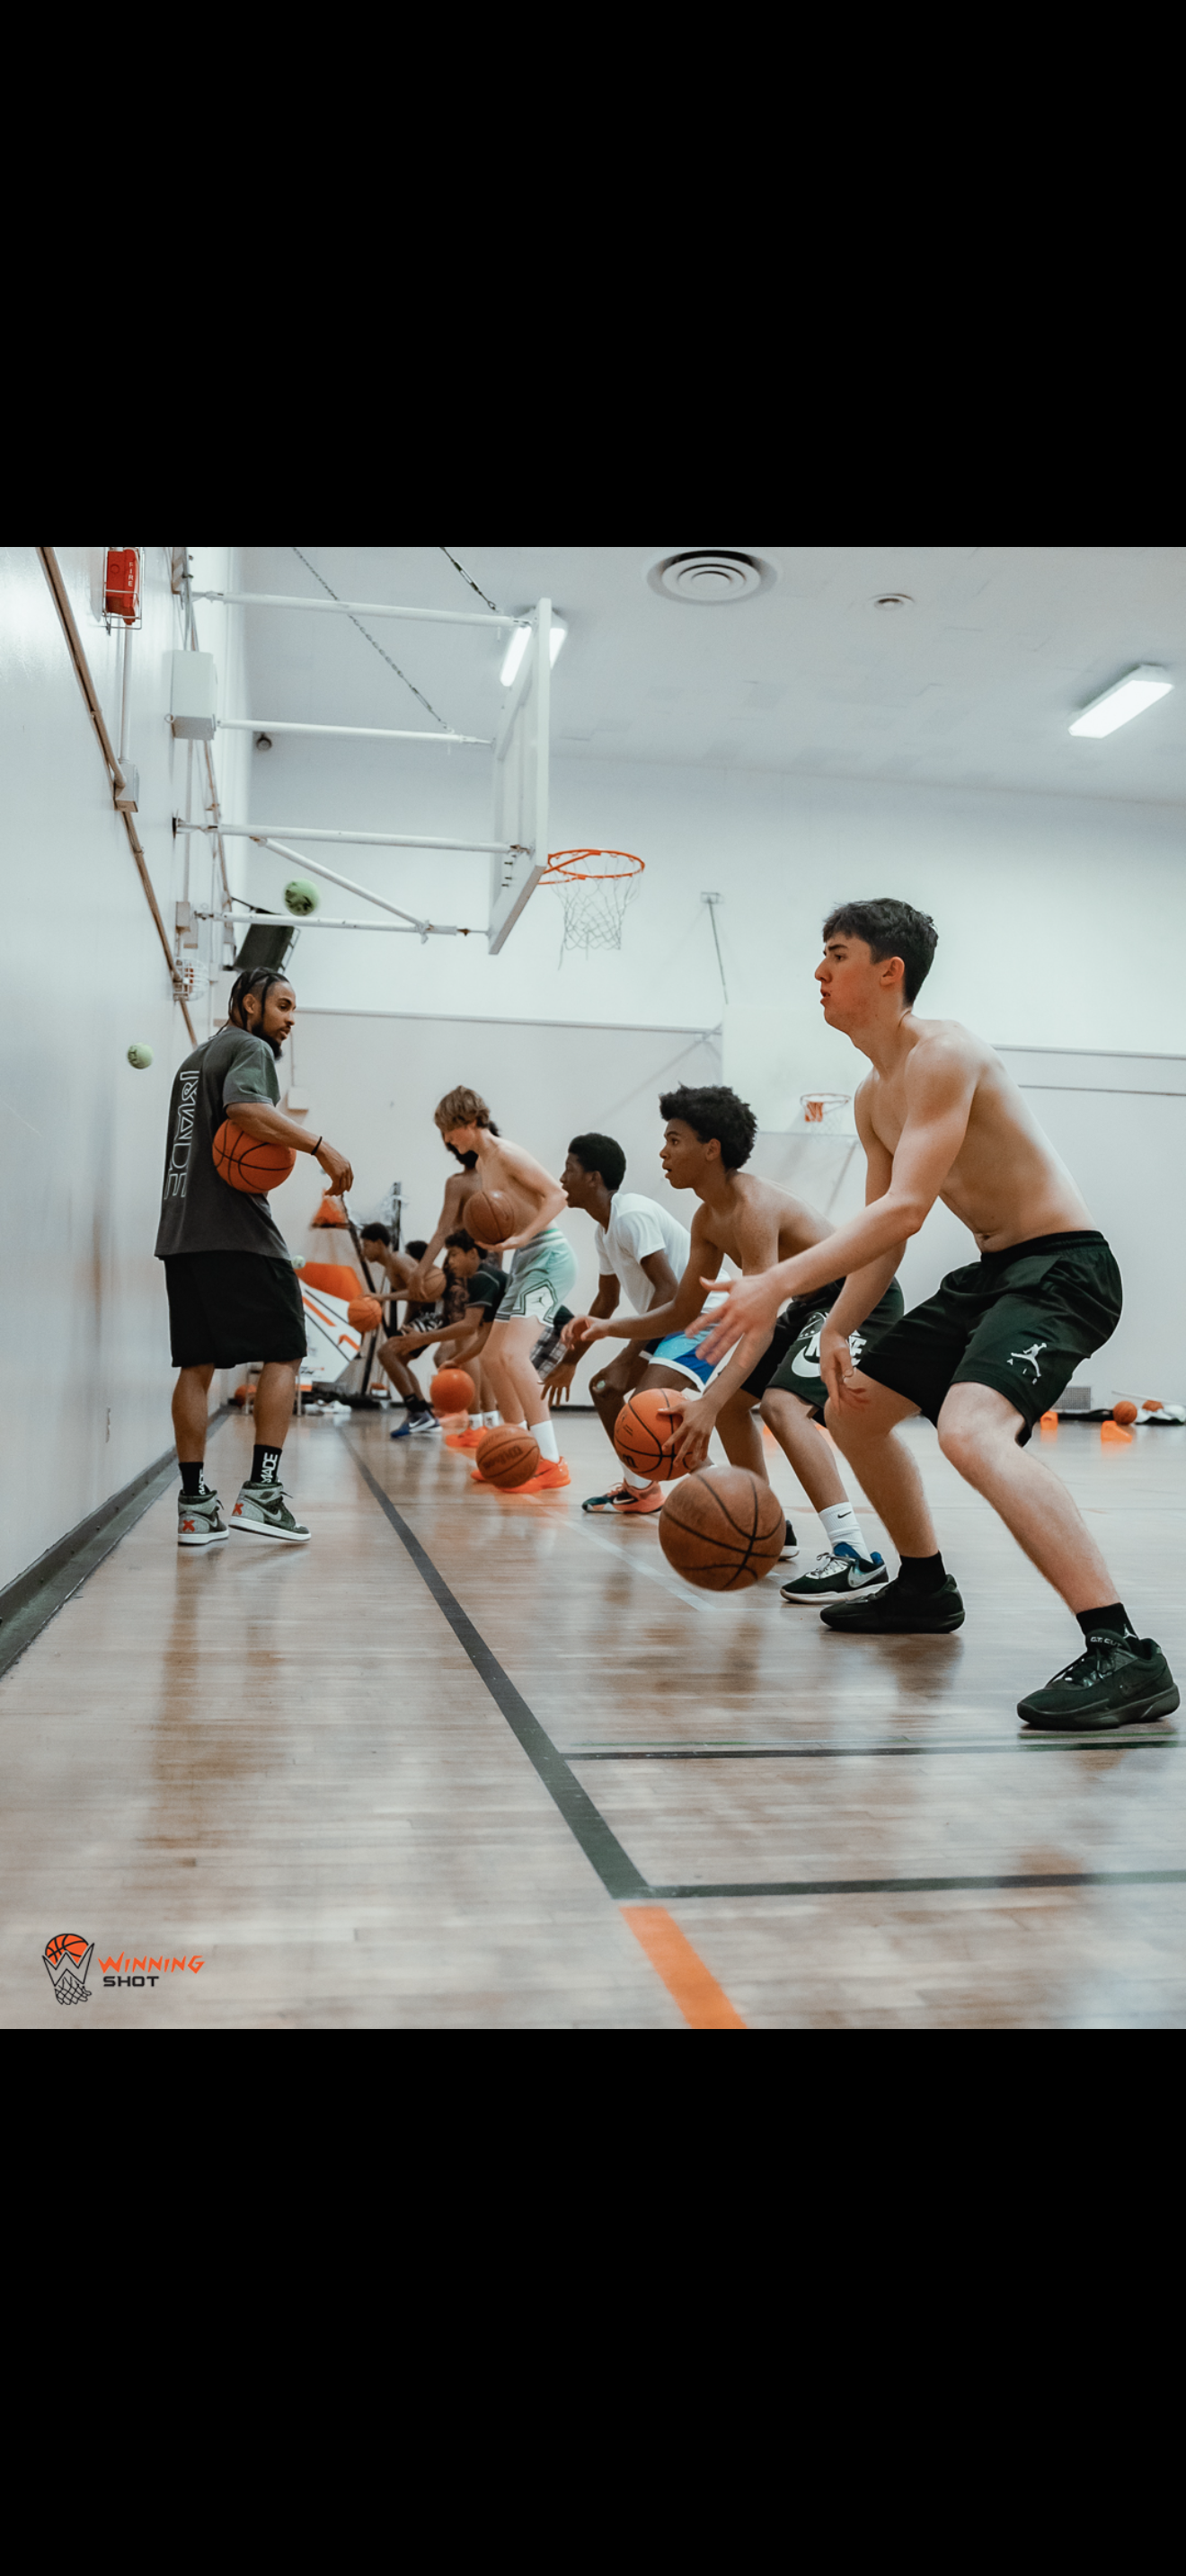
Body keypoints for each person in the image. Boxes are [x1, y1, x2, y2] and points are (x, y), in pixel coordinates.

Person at [696, 898, 1180, 1731]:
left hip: (1064, 1267)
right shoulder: (870, 1094)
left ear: (891, 973)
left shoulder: (946, 1054)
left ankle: (1122, 1651)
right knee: (854, 1411)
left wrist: (778, 1286)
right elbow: (879, 1234)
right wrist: (840, 1328)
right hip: (996, 1270)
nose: (818, 972)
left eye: (836, 956)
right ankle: (923, 1585)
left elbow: (907, 1211)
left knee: (970, 1430)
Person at [565, 1087, 883, 1568]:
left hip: (859, 1298)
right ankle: (772, 1524)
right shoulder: (707, 1218)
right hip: (809, 1303)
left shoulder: (753, 1206)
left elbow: (756, 1321)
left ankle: (853, 1551)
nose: (663, 1152)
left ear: (710, 1148)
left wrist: (706, 1403)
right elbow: (681, 1310)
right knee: (736, 1408)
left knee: (780, 1406)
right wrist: (611, 1327)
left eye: (674, 1140)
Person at [156, 966, 353, 1546]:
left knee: (197, 1366)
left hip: (180, 1234)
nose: (291, 1019)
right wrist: (320, 1145)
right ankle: (262, 1497)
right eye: (284, 1006)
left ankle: (194, 1508)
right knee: (287, 1351)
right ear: (249, 1003)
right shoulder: (249, 1048)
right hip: (238, 1234)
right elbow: (245, 1110)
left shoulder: (192, 1063)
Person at [434, 1086, 577, 1494]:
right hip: (527, 1260)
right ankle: (519, 1452)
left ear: (470, 1123)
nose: (447, 1140)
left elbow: (558, 1196)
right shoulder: (482, 1164)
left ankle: (551, 1461)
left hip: (549, 1257)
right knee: (494, 1355)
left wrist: (522, 1236)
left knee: (514, 1355)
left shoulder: (507, 1153)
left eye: (449, 1130)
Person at [544, 1133, 688, 1513]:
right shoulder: (604, 1229)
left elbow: (669, 1290)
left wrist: (628, 1355)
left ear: (593, 1177)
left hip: (701, 1317)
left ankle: (728, 1497)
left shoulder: (631, 1215)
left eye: (568, 1170)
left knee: (645, 1409)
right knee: (605, 1388)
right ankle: (642, 1490)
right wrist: (572, 1359)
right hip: (670, 1319)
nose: (561, 1179)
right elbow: (606, 1302)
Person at [386, 1230, 507, 1449]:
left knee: (513, 1369)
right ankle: (488, 1427)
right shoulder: (480, 1276)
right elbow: (481, 1334)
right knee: (487, 1357)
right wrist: (459, 1357)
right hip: (523, 1324)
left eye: (452, 1255)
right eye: (448, 1256)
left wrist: (422, 1337)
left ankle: (499, 1432)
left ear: (472, 1254)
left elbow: (468, 1326)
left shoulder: (481, 1278)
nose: (449, 1261)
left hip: (549, 1326)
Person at [406, 1125, 501, 1298]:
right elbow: (500, 1236)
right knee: (480, 1322)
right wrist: (499, 1272)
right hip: (488, 1263)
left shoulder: (458, 1183)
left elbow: (443, 1231)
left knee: (456, 1319)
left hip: (463, 1261)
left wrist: (420, 1271)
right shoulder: (498, 1181)